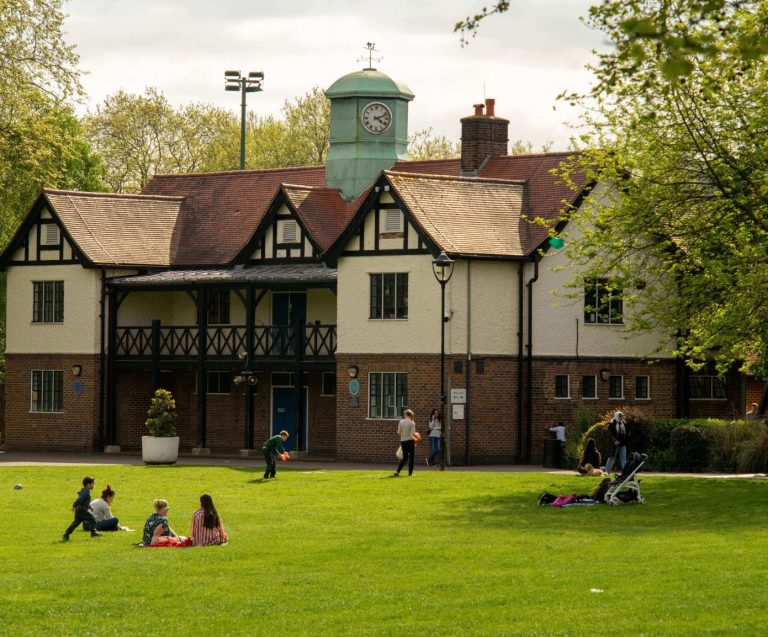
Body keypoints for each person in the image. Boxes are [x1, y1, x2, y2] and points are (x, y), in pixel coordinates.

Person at [62, 476, 101, 541]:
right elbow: (79, 499)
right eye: (92, 484)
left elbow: (84, 502)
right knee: (92, 519)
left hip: (79, 510)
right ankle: (93, 533)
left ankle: (66, 535)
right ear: (88, 484)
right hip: (82, 510)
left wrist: (89, 507)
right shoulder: (85, 492)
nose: (93, 485)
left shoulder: (85, 491)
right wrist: (74, 505)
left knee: (75, 524)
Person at [604, 411, 628, 475]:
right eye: (620, 416)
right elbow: (610, 434)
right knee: (611, 458)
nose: (622, 418)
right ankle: (606, 472)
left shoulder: (623, 423)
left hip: (623, 444)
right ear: (617, 416)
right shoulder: (612, 423)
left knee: (623, 459)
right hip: (615, 444)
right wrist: (615, 440)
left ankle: (625, 473)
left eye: (622, 416)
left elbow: (625, 434)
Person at [394, 409, 416, 476]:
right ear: (411, 415)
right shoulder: (412, 423)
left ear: (406, 414)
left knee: (405, 458)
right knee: (411, 458)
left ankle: (398, 471)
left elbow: (398, 432)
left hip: (403, 441)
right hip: (410, 441)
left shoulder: (401, 422)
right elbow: (413, 434)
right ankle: (410, 473)